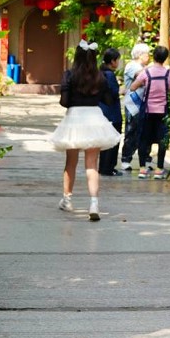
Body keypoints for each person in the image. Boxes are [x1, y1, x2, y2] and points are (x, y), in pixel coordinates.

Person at [50, 41, 121, 221]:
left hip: (74, 118)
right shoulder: (101, 77)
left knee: (70, 163)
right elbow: (109, 100)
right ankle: (94, 203)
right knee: (92, 165)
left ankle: (67, 200)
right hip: (95, 118)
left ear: (77, 57)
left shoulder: (69, 75)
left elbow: (64, 101)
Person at [129, 45, 170, 179]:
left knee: (143, 138)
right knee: (162, 140)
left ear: (153, 56)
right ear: (165, 58)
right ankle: (159, 169)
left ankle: (142, 169)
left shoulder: (146, 73)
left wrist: (144, 83)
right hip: (163, 112)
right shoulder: (169, 74)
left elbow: (132, 87)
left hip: (147, 111)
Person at [119, 43, 151, 170]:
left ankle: (146, 159)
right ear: (140, 55)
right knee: (131, 130)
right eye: (146, 54)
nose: (148, 56)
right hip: (133, 103)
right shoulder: (132, 66)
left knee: (145, 132)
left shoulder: (145, 67)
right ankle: (126, 159)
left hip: (144, 103)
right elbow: (141, 75)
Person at [97, 48, 123, 176]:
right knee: (113, 140)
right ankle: (108, 168)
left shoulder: (100, 72)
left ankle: (103, 167)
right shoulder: (110, 75)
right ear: (112, 61)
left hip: (102, 111)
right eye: (117, 60)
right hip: (112, 111)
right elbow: (113, 93)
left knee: (104, 141)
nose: (118, 62)